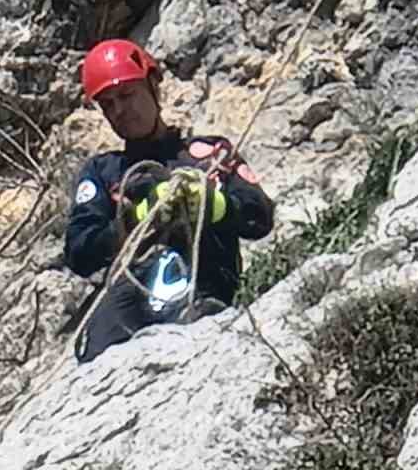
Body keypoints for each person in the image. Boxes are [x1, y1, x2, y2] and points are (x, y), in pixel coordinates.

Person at [64, 39, 274, 364]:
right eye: (108, 104)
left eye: (126, 95)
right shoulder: (103, 172)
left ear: (153, 84)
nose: (119, 110)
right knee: (97, 351)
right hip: (128, 305)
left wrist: (215, 206)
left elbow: (259, 217)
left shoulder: (209, 155)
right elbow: (80, 252)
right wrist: (135, 220)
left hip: (202, 287)